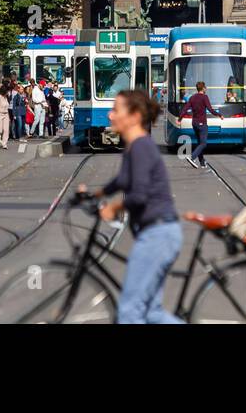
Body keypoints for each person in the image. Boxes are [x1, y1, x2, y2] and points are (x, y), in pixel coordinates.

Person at [79, 89, 183, 324]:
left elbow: (139, 194)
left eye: (116, 110)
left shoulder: (141, 147)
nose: (109, 115)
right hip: (158, 232)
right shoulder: (135, 146)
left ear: (134, 116)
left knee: (129, 312)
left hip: (157, 234)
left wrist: (113, 208)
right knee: (150, 312)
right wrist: (97, 193)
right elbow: (122, 181)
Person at [184, 81, 221, 170]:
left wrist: (180, 118)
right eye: (205, 87)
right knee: (203, 143)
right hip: (202, 123)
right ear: (203, 88)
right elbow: (210, 109)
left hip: (194, 123)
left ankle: (202, 162)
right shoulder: (204, 97)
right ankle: (192, 157)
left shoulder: (192, 97)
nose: (206, 89)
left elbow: (185, 108)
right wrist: (219, 114)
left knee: (199, 143)